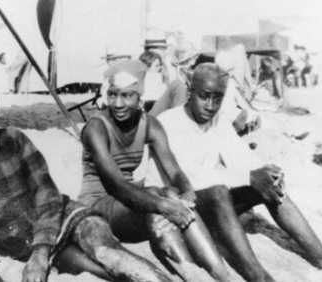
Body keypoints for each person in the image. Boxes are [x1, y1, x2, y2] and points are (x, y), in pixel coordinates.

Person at [0, 83, 172, 282]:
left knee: (108, 254)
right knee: (103, 273)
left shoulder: (12, 140)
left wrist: (40, 253)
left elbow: (47, 195)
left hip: (66, 219)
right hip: (24, 247)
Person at [146, 62, 322, 282]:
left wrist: (265, 172)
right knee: (220, 191)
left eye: (217, 98)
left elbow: (242, 159)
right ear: (190, 91)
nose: (210, 105)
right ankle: (258, 276)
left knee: (271, 186)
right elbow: (188, 183)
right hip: (178, 207)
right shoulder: (168, 123)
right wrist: (249, 177)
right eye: (204, 96)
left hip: (208, 204)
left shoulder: (218, 122)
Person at [78, 60, 230, 281]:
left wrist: (186, 191)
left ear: (140, 96)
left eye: (127, 95)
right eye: (113, 95)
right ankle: (191, 273)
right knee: (159, 196)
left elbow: (174, 169)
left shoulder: (149, 124)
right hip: (97, 207)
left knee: (170, 192)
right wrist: (164, 207)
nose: (118, 103)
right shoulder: (96, 128)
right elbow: (116, 186)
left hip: (128, 204)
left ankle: (219, 275)